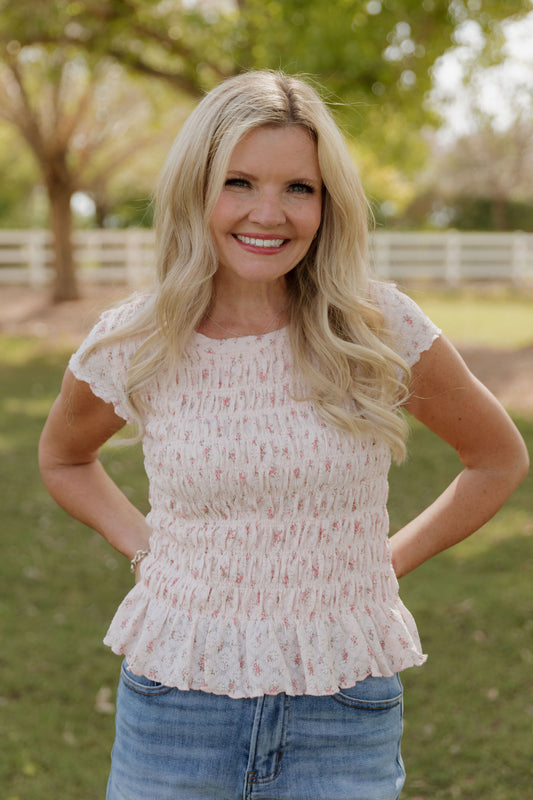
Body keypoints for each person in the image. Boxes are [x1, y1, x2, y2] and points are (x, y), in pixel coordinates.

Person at [39, 70, 528, 800]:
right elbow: (64, 457)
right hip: (176, 704)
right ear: (196, 188)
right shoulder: (137, 340)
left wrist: (383, 563)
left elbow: (495, 459)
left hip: (343, 707)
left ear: (327, 203)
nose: (268, 213)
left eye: (298, 188)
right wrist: (146, 551)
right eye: (238, 181)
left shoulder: (376, 328)